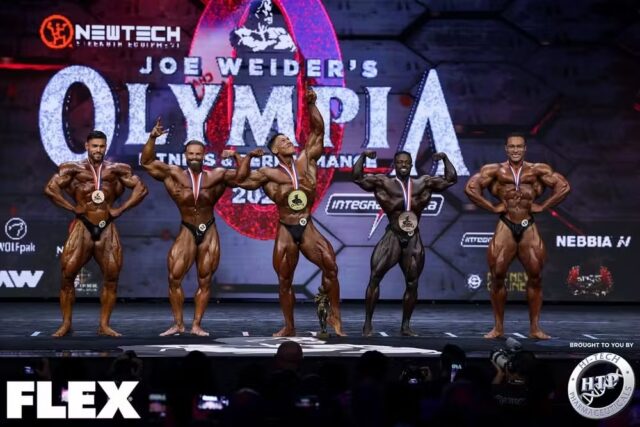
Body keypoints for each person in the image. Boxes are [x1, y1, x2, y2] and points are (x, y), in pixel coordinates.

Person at [235, 88, 345, 337]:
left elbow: (318, 131)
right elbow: (241, 181)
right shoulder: (267, 174)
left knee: (330, 266)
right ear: (274, 150)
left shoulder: (307, 160)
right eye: (283, 141)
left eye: (289, 139)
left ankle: (334, 316)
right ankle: (289, 326)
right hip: (286, 228)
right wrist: (248, 158)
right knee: (285, 280)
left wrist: (311, 105)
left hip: (307, 225)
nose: (289, 142)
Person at [141, 118, 263, 336]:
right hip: (187, 228)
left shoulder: (217, 175)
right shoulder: (173, 174)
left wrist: (240, 157)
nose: (195, 157)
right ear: (185, 156)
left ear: (204, 155)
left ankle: (196, 325)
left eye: (198, 154)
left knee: (205, 280)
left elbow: (241, 178)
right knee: (174, 277)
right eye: (191, 154)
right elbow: (147, 162)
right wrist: (152, 138)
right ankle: (178, 324)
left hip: (208, 230)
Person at [464, 133, 570, 339]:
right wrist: (491, 207)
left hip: (528, 225)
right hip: (506, 225)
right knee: (497, 276)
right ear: (506, 149)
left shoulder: (537, 169)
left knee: (536, 277)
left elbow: (563, 186)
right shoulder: (494, 170)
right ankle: (498, 328)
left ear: (525, 149)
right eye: (511, 146)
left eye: (519, 146)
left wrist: (544, 206)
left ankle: (535, 328)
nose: (515, 150)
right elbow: (470, 188)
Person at [44, 130, 148, 337]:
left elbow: (141, 189)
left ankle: (104, 325)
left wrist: (121, 209)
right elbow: (50, 189)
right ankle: (66, 324)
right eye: (94, 146)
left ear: (105, 147)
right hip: (82, 226)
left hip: (107, 227)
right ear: (87, 146)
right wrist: (72, 208)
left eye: (101, 146)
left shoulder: (117, 169)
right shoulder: (72, 169)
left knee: (111, 278)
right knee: (67, 276)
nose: (98, 150)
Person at [352, 150, 457, 336]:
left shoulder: (423, 183)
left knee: (412, 283)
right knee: (375, 277)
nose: (403, 165)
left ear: (411, 165)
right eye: (400, 162)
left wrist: (445, 159)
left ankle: (406, 326)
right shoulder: (384, 182)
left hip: (413, 238)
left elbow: (450, 179)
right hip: (393, 235)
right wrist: (363, 157)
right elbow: (357, 178)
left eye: (407, 162)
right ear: (395, 164)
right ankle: (367, 324)